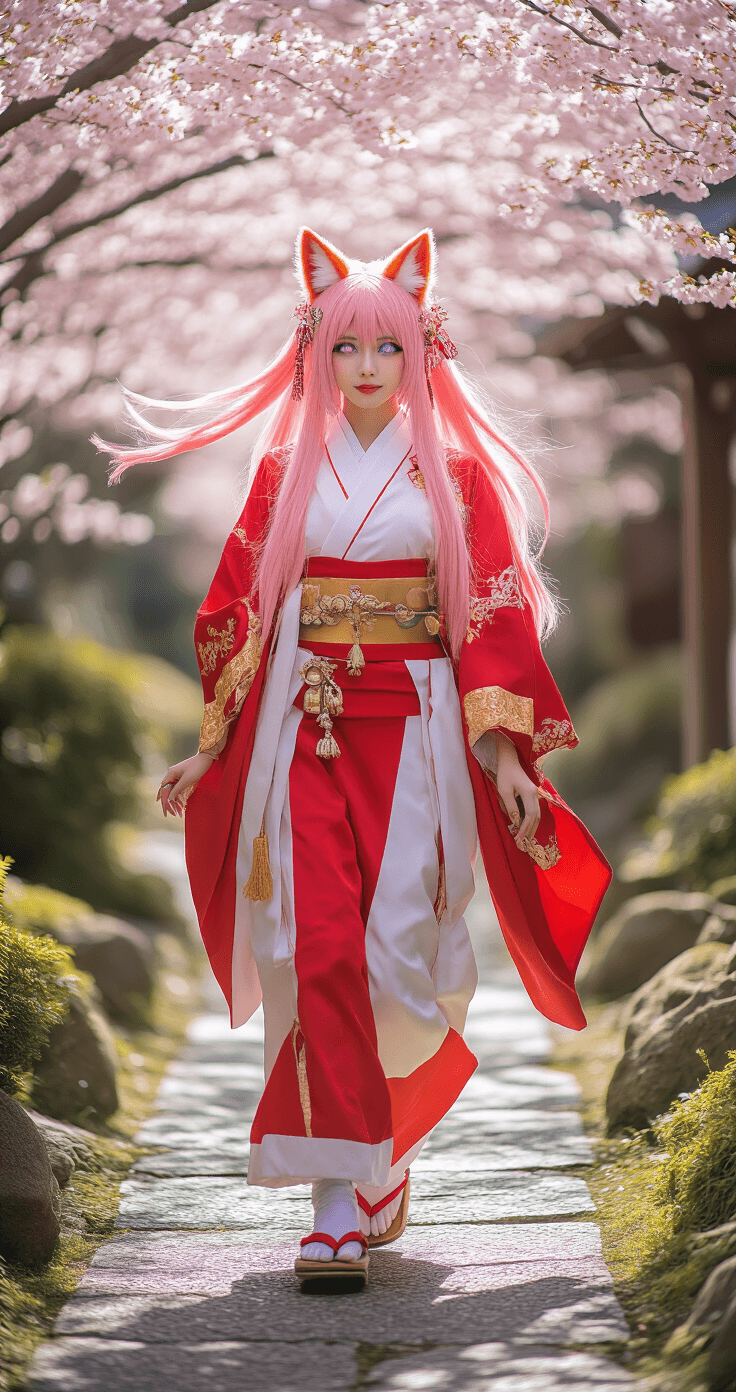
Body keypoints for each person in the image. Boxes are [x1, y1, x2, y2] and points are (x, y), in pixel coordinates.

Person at [99, 227, 611, 1288]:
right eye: (345, 347)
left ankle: (380, 1147)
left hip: (419, 726)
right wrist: (212, 749)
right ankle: (334, 1198)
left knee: (397, 963)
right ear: (315, 351)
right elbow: (239, 611)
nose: (367, 369)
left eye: (387, 348)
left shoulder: (459, 476)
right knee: (317, 946)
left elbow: (492, 623)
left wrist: (507, 759)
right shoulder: (286, 471)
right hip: (305, 722)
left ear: (421, 350)